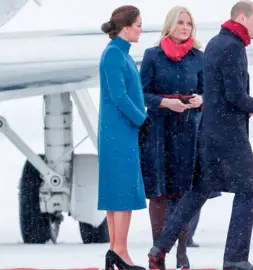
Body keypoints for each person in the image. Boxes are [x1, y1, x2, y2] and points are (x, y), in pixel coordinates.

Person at [147, 1, 253, 270]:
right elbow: (234, 94)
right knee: (248, 190)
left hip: (208, 130)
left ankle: (159, 248)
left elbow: (218, 93)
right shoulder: (234, 47)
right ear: (241, 17)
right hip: (228, 135)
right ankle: (235, 258)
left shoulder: (215, 43)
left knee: (198, 191)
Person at [139, 5, 221, 268]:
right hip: (159, 132)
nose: (185, 27)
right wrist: (164, 103)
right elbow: (143, 94)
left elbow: (210, 93)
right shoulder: (152, 55)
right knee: (160, 194)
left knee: (185, 194)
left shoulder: (199, 56)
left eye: (189, 23)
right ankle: (158, 253)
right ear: (170, 25)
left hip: (188, 131)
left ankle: (182, 251)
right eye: (181, 23)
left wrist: (201, 99)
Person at [97, 5, 148, 270]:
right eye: (138, 24)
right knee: (123, 193)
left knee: (116, 193)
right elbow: (119, 96)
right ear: (126, 26)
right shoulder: (115, 55)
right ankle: (120, 251)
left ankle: (115, 250)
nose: (141, 29)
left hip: (120, 132)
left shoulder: (119, 54)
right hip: (119, 133)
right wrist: (143, 119)